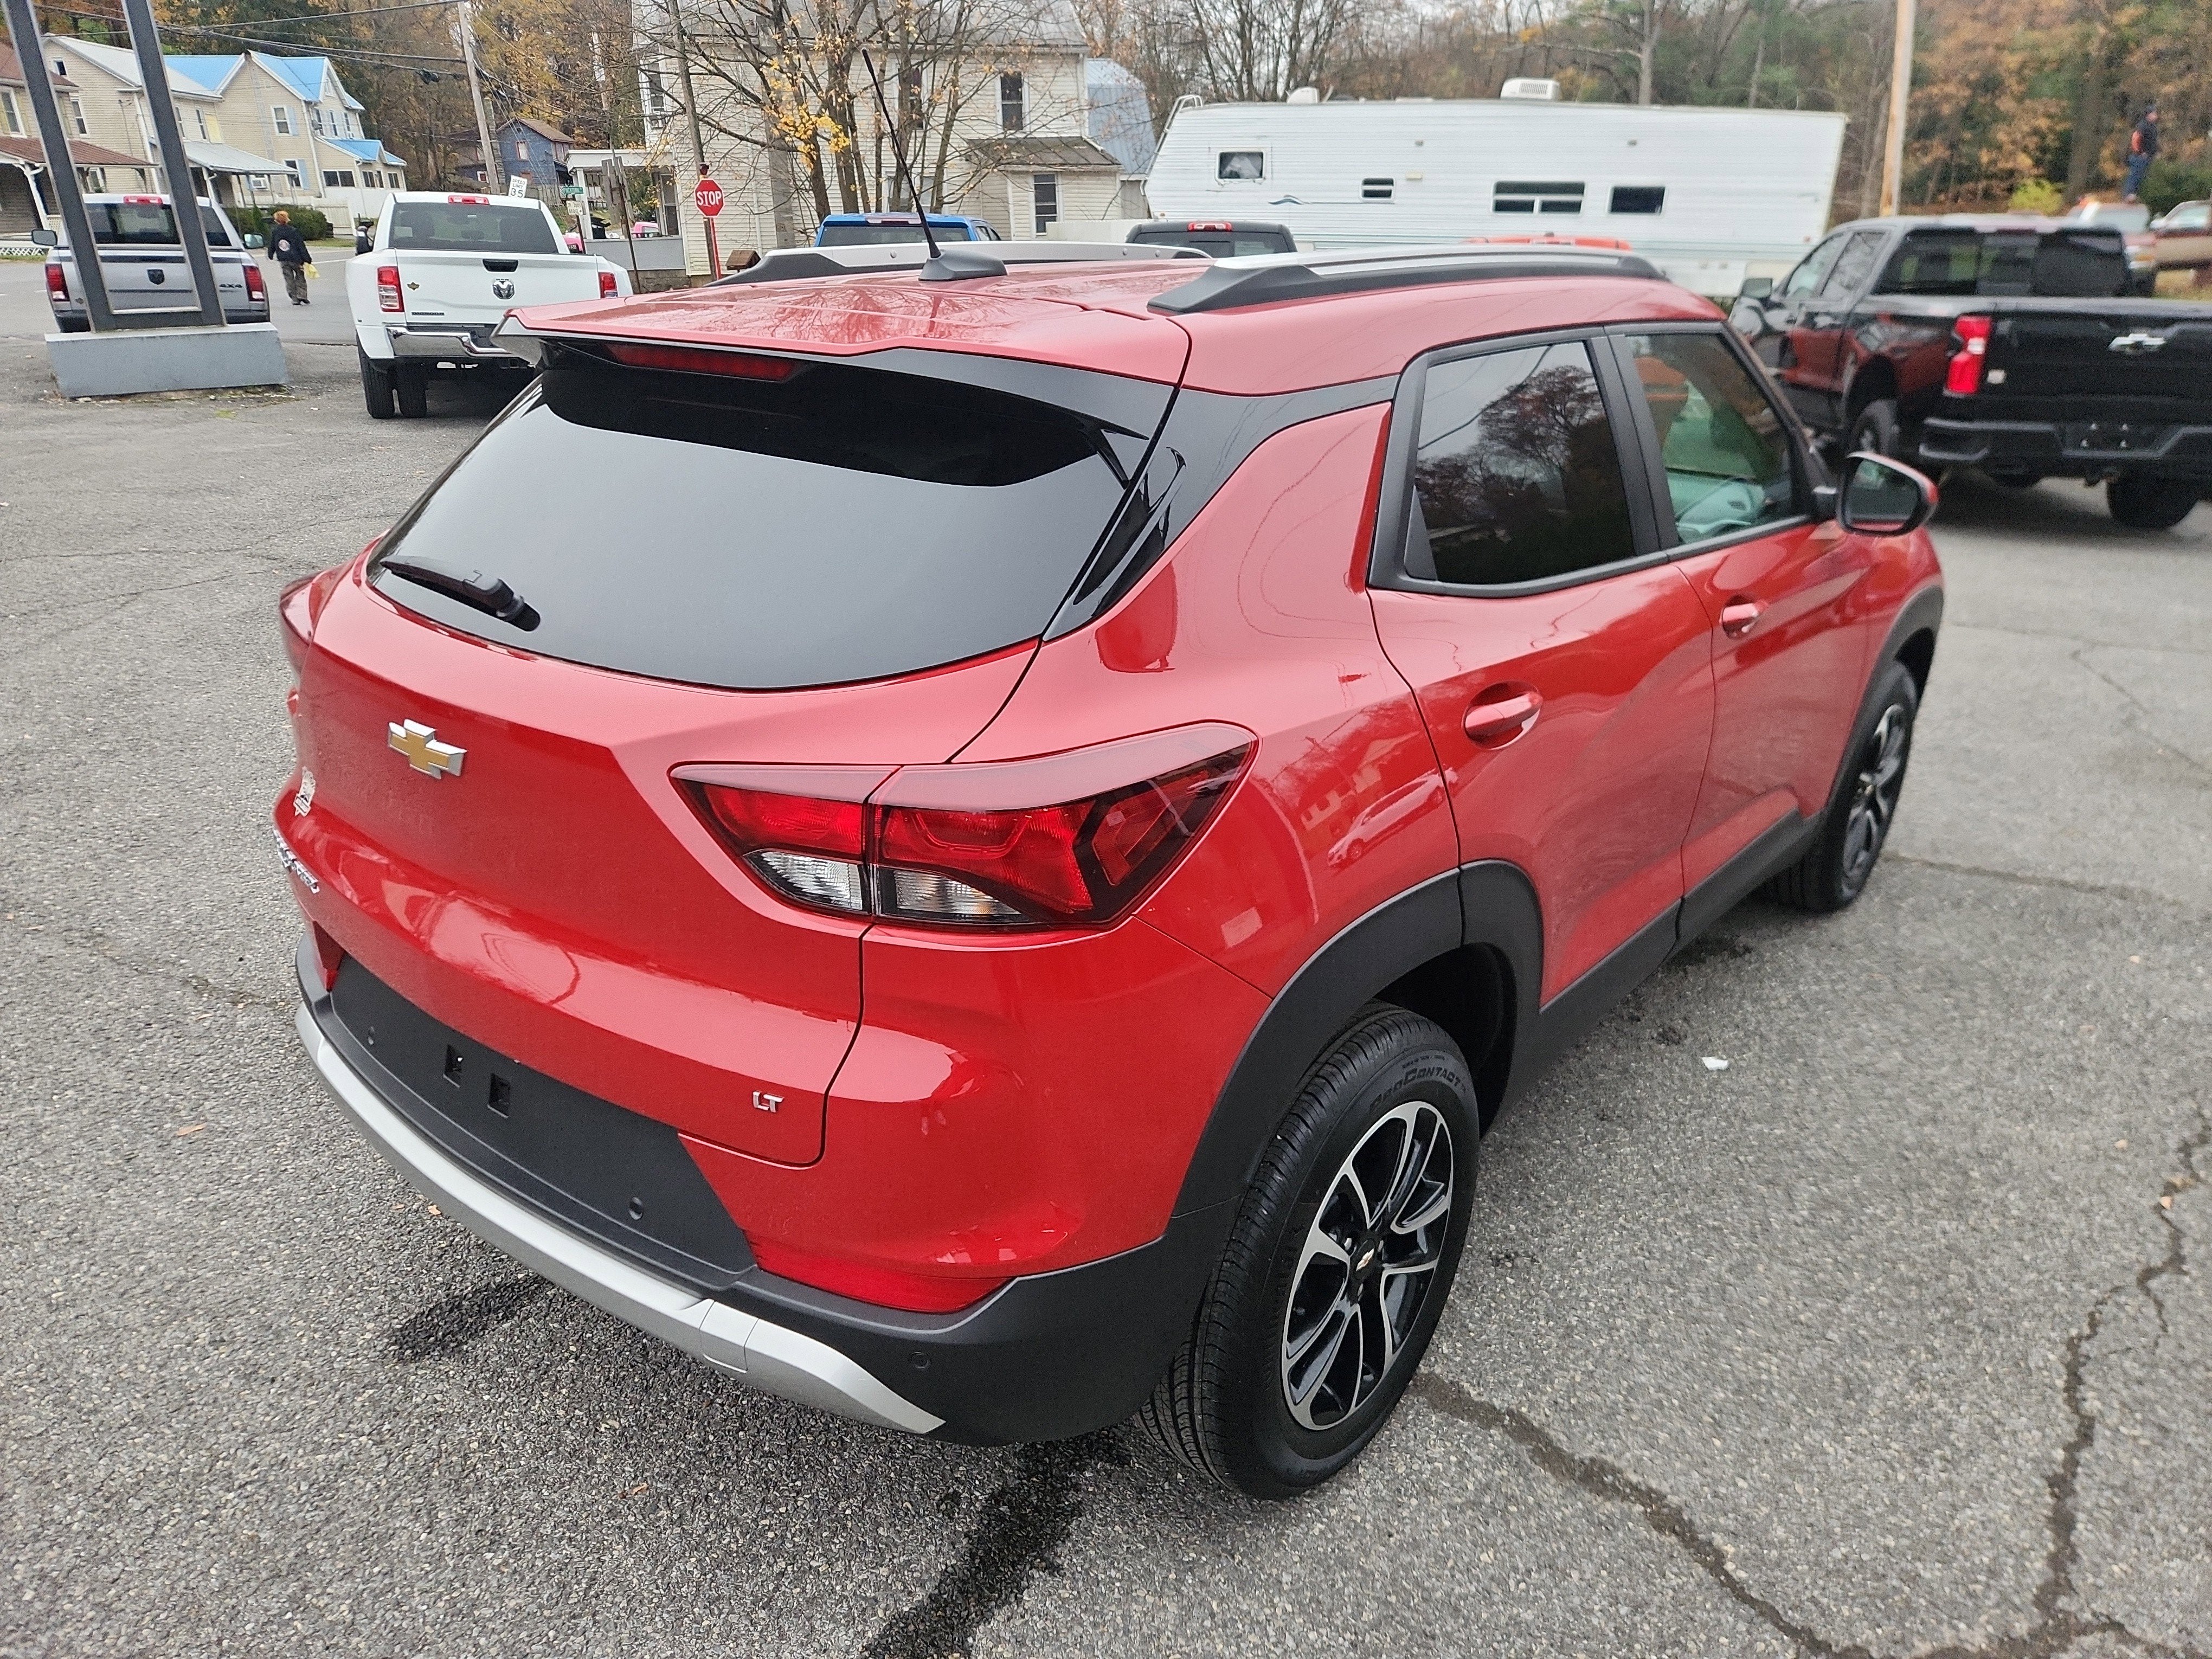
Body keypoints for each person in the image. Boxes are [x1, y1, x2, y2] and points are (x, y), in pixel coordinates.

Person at [267, 209, 313, 305]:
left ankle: (294, 298)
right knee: (300, 276)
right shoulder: (293, 231)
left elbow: (272, 245)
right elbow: (301, 245)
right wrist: (307, 259)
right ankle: (302, 295)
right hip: (296, 259)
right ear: (287, 219)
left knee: (289, 278)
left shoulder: (275, 232)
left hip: (283, 259)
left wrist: (270, 254)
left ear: (277, 220)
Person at [2123, 105, 2160, 202]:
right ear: (2148, 115)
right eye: (2154, 114)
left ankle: (2136, 196)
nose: (2156, 116)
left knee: (2142, 178)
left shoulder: (2152, 127)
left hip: (2149, 157)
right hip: (2140, 157)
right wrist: (2140, 152)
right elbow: (2136, 139)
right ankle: (2129, 195)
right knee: (2135, 176)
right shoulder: (2143, 126)